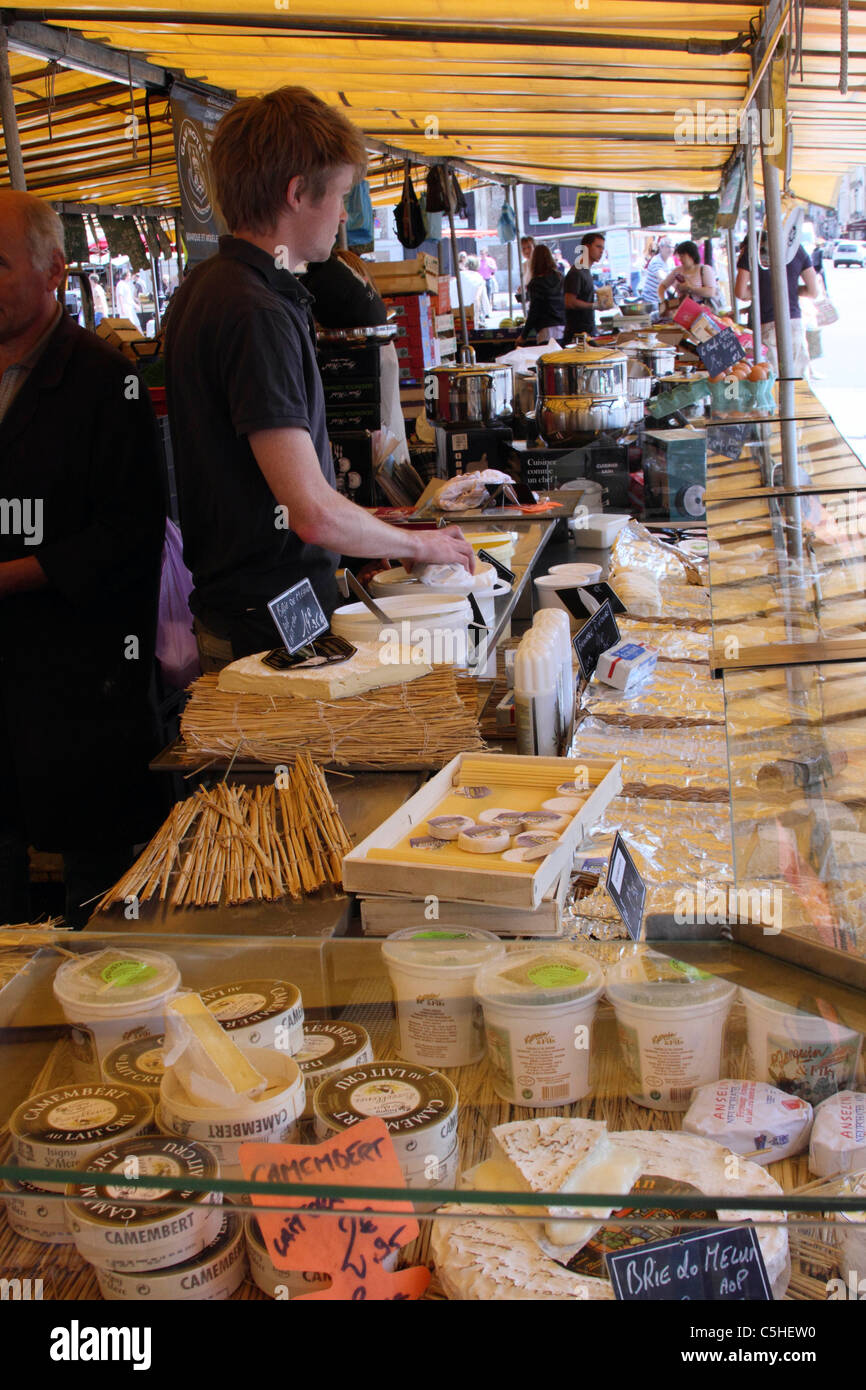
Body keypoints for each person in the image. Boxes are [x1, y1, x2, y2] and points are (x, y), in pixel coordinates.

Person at [164, 85, 474, 670]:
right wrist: (417, 544)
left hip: (256, 610)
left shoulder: (213, 287)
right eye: (339, 196)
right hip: (265, 624)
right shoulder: (255, 309)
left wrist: (369, 544)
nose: (342, 218)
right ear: (296, 193)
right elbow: (308, 509)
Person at [0, 191, 165, 927]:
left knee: (95, 901)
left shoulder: (104, 381)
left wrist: (11, 577)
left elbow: (129, 536)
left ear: (53, 273)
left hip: (80, 684)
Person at [735, 235, 818, 377]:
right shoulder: (797, 249)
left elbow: (741, 292)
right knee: (796, 382)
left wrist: (765, 290)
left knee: (773, 382)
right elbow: (813, 291)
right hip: (794, 323)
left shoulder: (752, 252)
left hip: (768, 324)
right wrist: (786, 290)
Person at [515, 244, 565, 346]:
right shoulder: (560, 277)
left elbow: (534, 310)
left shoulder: (535, 283)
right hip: (562, 327)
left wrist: (524, 335)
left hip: (545, 330)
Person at [563, 231, 605, 341]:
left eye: (602, 248)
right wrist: (595, 306)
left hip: (587, 332)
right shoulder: (576, 272)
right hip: (577, 336)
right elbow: (569, 302)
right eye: (598, 247)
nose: (601, 251)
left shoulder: (586, 271)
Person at [659, 241, 718, 309]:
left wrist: (690, 289)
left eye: (682, 256)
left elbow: (711, 292)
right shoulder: (677, 270)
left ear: (691, 255)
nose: (680, 259)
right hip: (682, 309)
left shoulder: (704, 269)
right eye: (679, 255)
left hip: (700, 309)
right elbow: (662, 286)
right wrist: (663, 300)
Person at [640, 236, 673, 308]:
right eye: (668, 246)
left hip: (661, 299)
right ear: (661, 247)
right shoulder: (656, 261)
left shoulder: (671, 261)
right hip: (650, 301)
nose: (670, 249)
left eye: (672, 247)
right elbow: (663, 279)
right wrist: (676, 293)